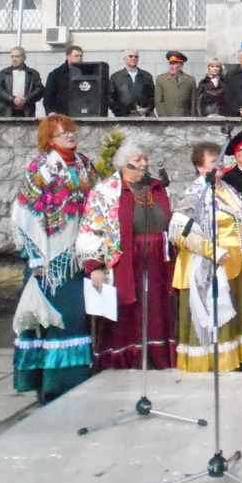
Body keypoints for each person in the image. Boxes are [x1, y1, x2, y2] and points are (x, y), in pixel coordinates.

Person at [11, 115, 96, 401]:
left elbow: (96, 202)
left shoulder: (84, 165)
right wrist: (35, 258)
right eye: (63, 134)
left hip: (77, 256)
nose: (70, 137)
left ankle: (74, 382)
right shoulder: (40, 168)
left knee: (75, 318)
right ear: (50, 140)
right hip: (48, 262)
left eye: (72, 132)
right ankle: (48, 386)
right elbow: (26, 214)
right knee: (50, 321)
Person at [77, 139, 175, 370]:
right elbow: (91, 228)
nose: (143, 164)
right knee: (128, 313)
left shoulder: (157, 188)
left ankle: (156, 359)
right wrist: (95, 266)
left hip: (157, 260)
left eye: (145, 160)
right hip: (125, 261)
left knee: (156, 311)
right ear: (123, 166)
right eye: (137, 161)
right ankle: (125, 361)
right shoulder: (105, 193)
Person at [170, 141, 242, 373]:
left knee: (236, 319)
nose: (219, 165)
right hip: (209, 266)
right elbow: (180, 233)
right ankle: (210, 365)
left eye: (221, 160)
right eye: (213, 161)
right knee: (214, 319)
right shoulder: (195, 193)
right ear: (201, 168)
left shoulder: (229, 190)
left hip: (235, 265)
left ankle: (237, 363)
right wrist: (212, 250)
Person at [0, 47, 44, 118]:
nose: (14, 59)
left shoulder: (32, 74)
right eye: (12, 57)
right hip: (7, 111)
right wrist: (12, 99)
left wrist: (25, 99)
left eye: (17, 56)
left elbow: (39, 89)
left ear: (24, 58)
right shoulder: (3, 73)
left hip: (27, 111)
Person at [109, 49, 155, 117]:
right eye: (131, 56)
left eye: (136, 57)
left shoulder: (146, 76)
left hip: (143, 117)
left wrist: (147, 109)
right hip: (122, 117)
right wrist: (119, 111)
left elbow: (153, 96)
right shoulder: (116, 77)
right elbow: (110, 97)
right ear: (124, 59)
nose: (133, 58)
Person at [42, 44, 83, 115]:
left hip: (80, 111)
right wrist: (50, 111)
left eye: (81, 56)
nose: (79, 58)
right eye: (76, 56)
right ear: (68, 57)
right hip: (62, 112)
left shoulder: (86, 73)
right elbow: (49, 94)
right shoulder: (56, 74)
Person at [154, 51, 197, 117]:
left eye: (174, 64)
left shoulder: (190, 80)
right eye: (170, 64)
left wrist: (192, 119)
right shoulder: (161, 79)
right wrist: (164, 118)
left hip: (185, 119)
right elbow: (158, 101)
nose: (171, 66)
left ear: (181, 66)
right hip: (166, 119)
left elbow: (193, 103)